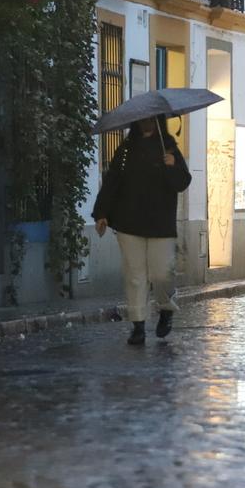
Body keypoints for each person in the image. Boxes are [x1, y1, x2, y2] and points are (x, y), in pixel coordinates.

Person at [92, 117, 192, 345]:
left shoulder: (169, 147)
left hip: (161, 224)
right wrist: (101, 213)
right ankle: (138, 325)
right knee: (135, 276)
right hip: (130, 223)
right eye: (142, 120)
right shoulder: (126, 150)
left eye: (150, 119)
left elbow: (182, 182)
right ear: (136, 122)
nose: (146, 123)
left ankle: (166, 309)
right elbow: (112, 181)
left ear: (157, 120)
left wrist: (172, 166)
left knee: (162, 273)